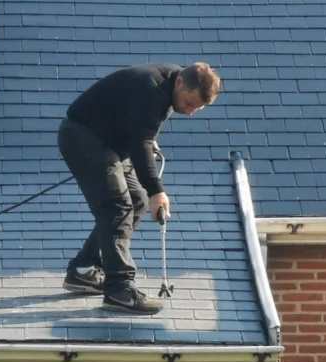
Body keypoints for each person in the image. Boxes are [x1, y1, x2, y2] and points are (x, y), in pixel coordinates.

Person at [57, 62, 221, 315]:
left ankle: (83, 270)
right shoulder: (152, 89)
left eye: (197, 109)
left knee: (136, 200)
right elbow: (141, 142)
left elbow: (139, 125)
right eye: (189, 104)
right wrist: (158, 190)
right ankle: (119, 290)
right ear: (180, 84)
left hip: (107, 143)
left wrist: (146, 140)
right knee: (117, 207)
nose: (189, 113)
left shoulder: (171, 82)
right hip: (83, 137)